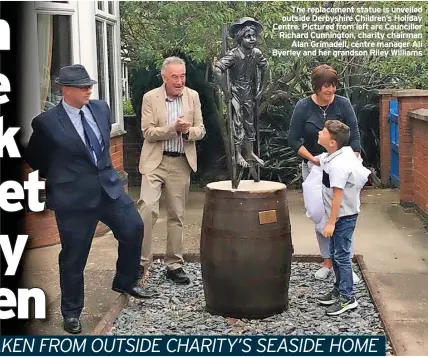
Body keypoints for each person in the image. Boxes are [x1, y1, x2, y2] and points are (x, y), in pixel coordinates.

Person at [25, 64, 159, 335]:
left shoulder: (100, 108)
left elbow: (100, 145)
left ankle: (124, 280)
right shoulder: (47, 122)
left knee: (134, 228)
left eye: (90, 85)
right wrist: (63, 178)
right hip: (73, 199)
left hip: (109, 190)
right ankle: (72, 312)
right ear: (65, 89)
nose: (89, 90)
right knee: (74, 258)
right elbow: (35, 158)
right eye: (83, 86)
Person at [288, 64, 361, 283]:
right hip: (314, 168)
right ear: (317, 87)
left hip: (340, 167)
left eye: (333, 85)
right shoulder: (303, 107)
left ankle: (345, 263)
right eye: (326, 86)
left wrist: (354, 157)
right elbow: (292, 139)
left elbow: (355, 134)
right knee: (321, 215)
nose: (330, 90)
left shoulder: (343, 104)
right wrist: (312, 159)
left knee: (343, 214)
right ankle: (327, 261)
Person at [138, 56, 206, 284]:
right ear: (164, 77)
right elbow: (147, 132)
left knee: (177, 215)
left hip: (180, 162)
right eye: (174, 77)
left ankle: (174, 265)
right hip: (154, 162)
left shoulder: (193, 96)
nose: (179, 81)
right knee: (147, 209)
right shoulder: (150, 98)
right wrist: (172, 129)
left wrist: (188, 132)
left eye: (182, 76)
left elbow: (201, 129)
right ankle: (141, 262)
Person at [315, 120, 370, 315]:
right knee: (335, 253)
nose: (318, 132)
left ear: (332, 142)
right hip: (338, 216)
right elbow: (319, 160)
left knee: (342, 256)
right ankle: (339, 289)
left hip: (343, 216)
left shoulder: (338, 165)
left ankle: (348, 297)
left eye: (323, 131)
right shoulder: (333, 155)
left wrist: (330, 222)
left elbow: (338, 195)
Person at [214, 17, 269, 168]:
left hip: (249, 92)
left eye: (254, 36)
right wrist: (226, 91)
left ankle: (250, 153)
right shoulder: (234, 55)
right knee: (237, 122)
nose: (252, 39)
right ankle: (237, 154)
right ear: (240, 38)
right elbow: (218, 69)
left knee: (249, 123)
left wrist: (261, 90)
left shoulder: (256, 53)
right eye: (248, 36)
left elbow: (266, 67)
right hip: (236, 92)